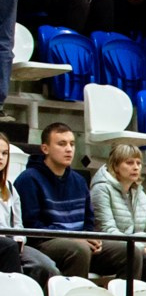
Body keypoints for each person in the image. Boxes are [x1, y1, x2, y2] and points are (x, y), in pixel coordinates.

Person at [21, 120, 132, 277]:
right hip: (44, 243)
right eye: (62, 144)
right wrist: (75, 239)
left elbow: (88, 220)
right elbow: (32, 226)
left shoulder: (78, 181)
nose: (68, 149)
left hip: (78, 242)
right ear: (45, 148)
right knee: (78, 250)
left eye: (72, 144)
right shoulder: (29, 179)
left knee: (129, 251)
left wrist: (90, 238)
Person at [86, 140, 146, 283]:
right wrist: (144, 250)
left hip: (137, 248)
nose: (135, 167)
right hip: (108, 251)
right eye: (129, 163)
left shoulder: (140, 193)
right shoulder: (101, 189)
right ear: (115, 166)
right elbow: (108, 231)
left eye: (138, 163)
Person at [0, 131, 60, 282]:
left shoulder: (10, 188)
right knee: (8, 247)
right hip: (5, 245)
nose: (1, 157)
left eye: (5, 153)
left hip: (11, 244)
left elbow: (18, 224)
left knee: (47, 267)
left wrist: (19, 239)